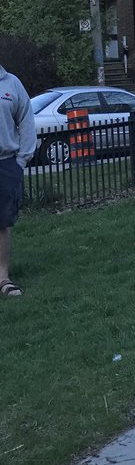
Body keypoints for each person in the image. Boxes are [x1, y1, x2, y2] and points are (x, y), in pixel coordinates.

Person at [1, 61, 37, 298]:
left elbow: (26, 121)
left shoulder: (11, 84)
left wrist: (22, 160)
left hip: (5, 163)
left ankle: (2, 277)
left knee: (2, 222)